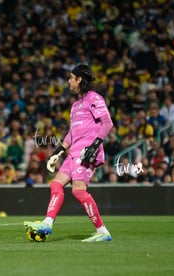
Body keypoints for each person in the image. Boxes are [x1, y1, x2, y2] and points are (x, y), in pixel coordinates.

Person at [24, 64, 113, 242]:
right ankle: (47, 224)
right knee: (56, 184)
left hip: (87, 152)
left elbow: (107, 123)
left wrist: (95, 146)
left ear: (79, 79)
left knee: (78, 191)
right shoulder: (75, 105)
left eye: (71, 78)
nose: (68, 81)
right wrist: (58, 152)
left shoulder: (94, 98)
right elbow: (72, 132)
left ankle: (103, 232)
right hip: (73, 152)